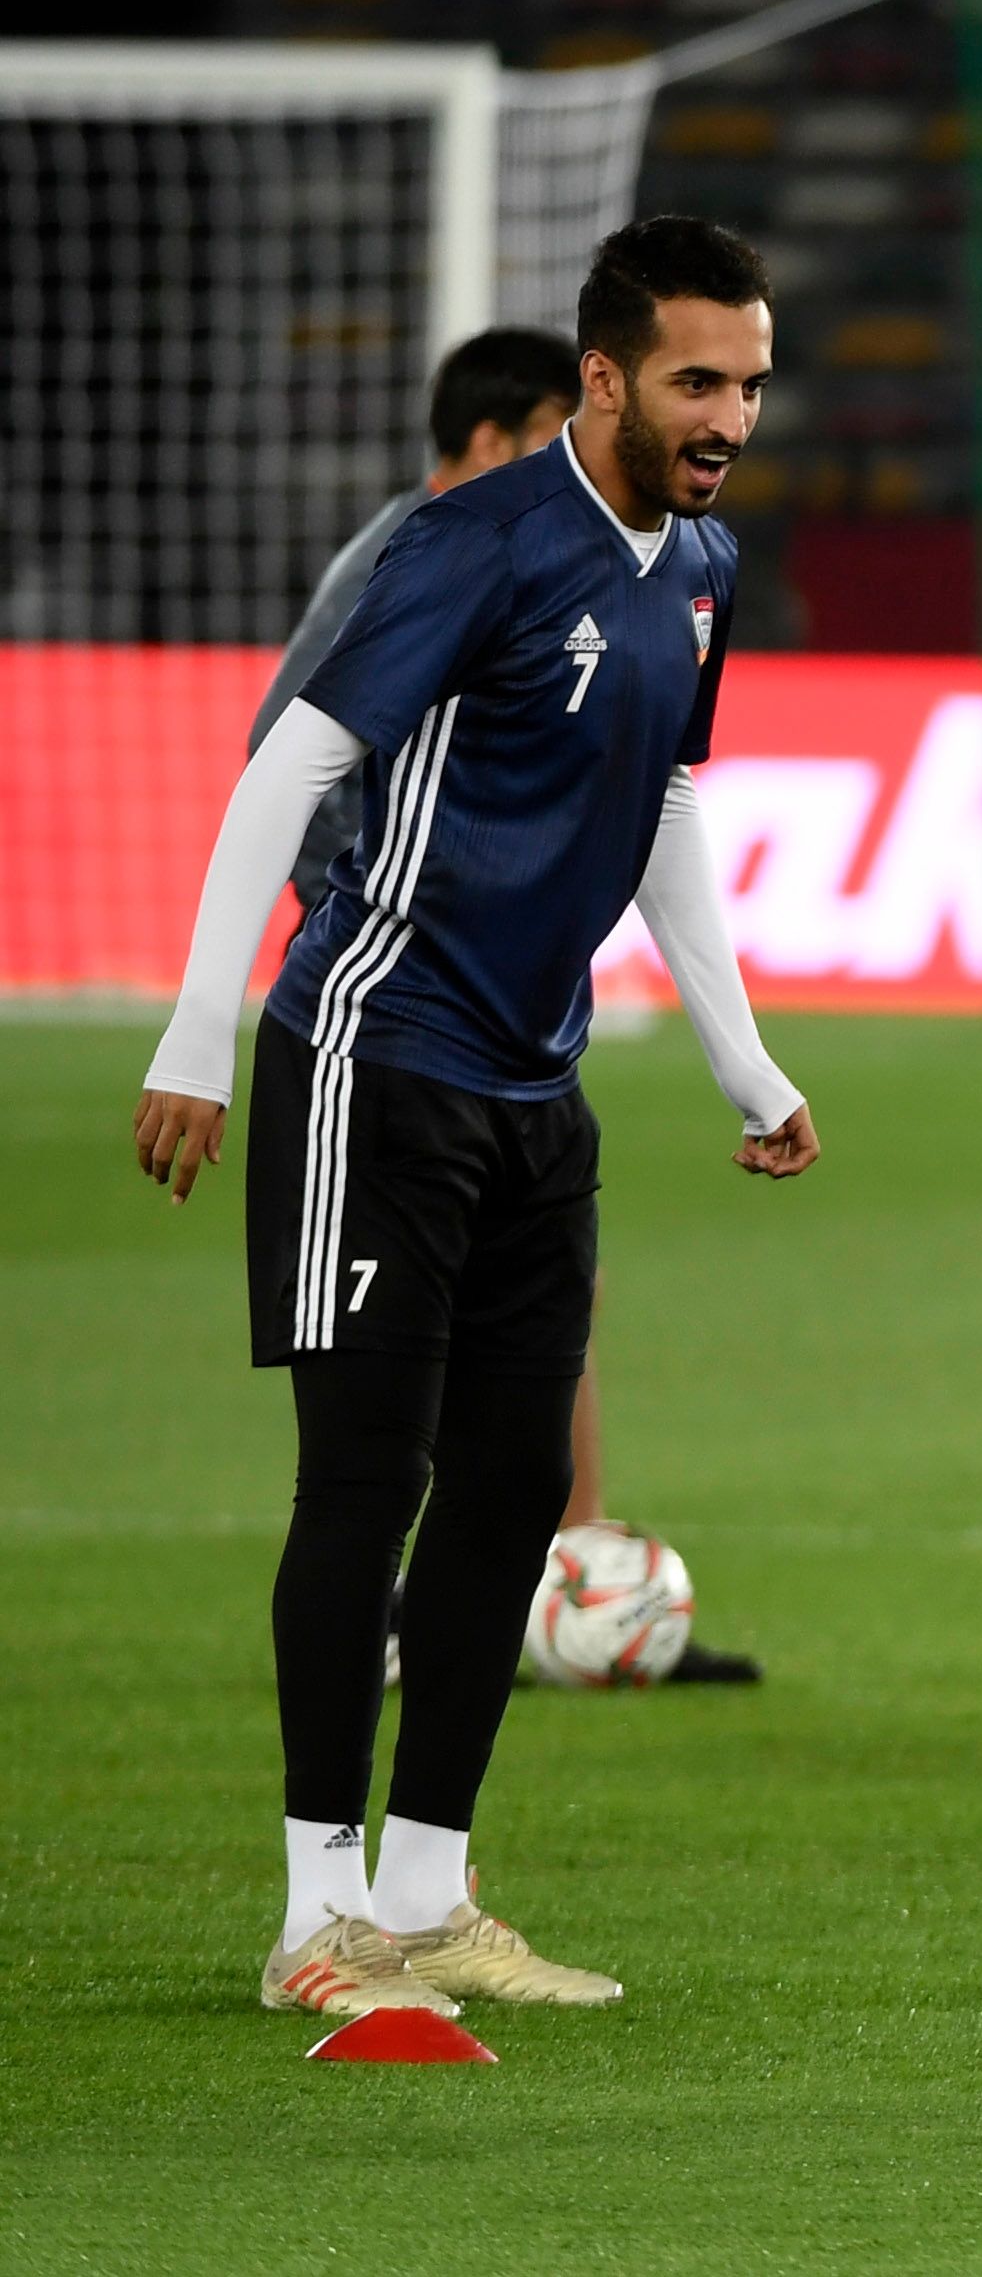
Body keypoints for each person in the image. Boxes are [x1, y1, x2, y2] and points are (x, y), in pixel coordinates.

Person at [133, 216, 819, 2022]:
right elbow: (292, 758)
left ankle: (428, 1896)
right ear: (603, 378)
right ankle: (313, 1913)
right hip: (374, 1050)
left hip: (537, 1073)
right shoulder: (476, 544)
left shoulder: (701, 564)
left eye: (749, 378)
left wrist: (743, 1058)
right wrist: (199, 1035)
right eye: (696, 378)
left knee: (515, 1479)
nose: (729, 412)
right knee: (369, 1475)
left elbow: (664, 802)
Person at [251, 333, 774, 1694]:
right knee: (401, 1370)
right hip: (401, 1007)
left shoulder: (656, 557)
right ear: (495, 439)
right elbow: (288, 751)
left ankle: (571, 1568)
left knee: (546, 1286)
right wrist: (364, 921)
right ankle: (400, 1606)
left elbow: (652, 780)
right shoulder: (420, 552)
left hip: (521, 1010)